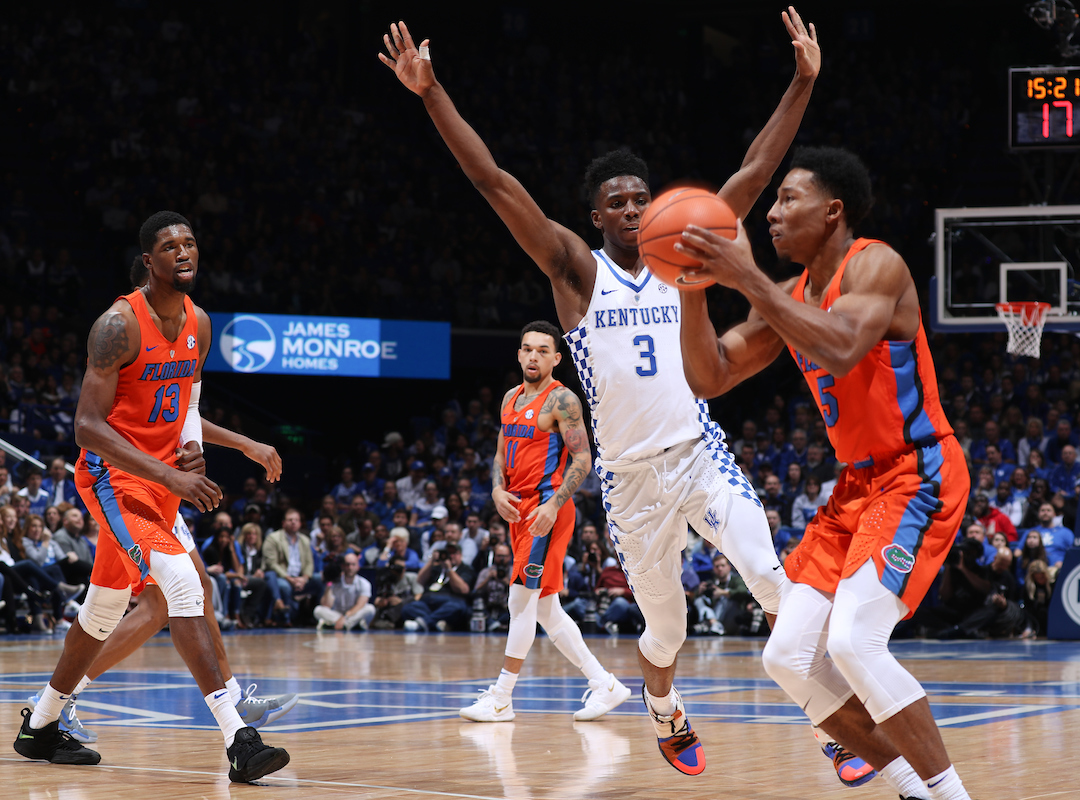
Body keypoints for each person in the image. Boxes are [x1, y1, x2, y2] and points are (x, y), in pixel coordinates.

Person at [380, 8, 822, 777]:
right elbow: (492, 180)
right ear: (595, 216)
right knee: (667, 633)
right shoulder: (576, 270)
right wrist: (429, 92)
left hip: (697, 451)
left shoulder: (686, 251)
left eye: (639, 198)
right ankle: (662, 706)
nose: (630, 208)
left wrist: (802, 81)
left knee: (770, 577)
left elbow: (751, 173)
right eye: (615, 201)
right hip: (628, 481)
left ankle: (831, 722)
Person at [676, 146, 974, 800]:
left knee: (853, 641)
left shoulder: (877, 263)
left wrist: (746, 277)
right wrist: (692, 290)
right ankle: (910, 788)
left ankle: (951, 795)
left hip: (915, 472)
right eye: (774, 202)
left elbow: (841, 348)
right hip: (855, 489)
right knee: (786, 658)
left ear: (832, 210)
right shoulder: (787, 295)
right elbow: (709, 375)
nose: (773, 215)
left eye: (788, 200)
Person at [14, 211, 289, 782]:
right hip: (113, 482)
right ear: (150, 261)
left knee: (104, 610)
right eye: (170, 246)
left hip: (159, 484)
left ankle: (39, 726)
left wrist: (200, 451)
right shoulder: (118, 325)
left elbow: (184, 408)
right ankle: (240, 739)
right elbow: (87, 427)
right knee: (184, 586)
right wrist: (171, 477)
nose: (183, 252)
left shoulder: (200, 323)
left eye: (190, 242)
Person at [460, 322, 630, 724]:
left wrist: (554, 505)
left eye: (542, 350)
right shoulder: (510, 398)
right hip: (518, 511)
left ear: (556, 358)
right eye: (527, 349)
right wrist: (497, 490)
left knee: (519, 601)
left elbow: (583, 460)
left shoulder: (563, 401)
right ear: (519, 354)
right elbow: (502, 452)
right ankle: (604, 684)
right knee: (546, 609)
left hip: (546, 513)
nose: (533, 356)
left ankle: (502, 697)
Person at [315, 552, 376, 631]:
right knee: (318, 610)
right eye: (347, 564)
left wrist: (345, 617)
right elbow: (326, 605)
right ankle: (353, 625)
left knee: (370, 609)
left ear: (358, 566)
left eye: (353, 564)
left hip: (353, 614)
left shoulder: (364, 583)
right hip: (337, 614)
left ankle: (333, 624)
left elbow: (360, 604)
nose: (350, 567)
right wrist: (329, 583)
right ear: (343, 566)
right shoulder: (335, 582)